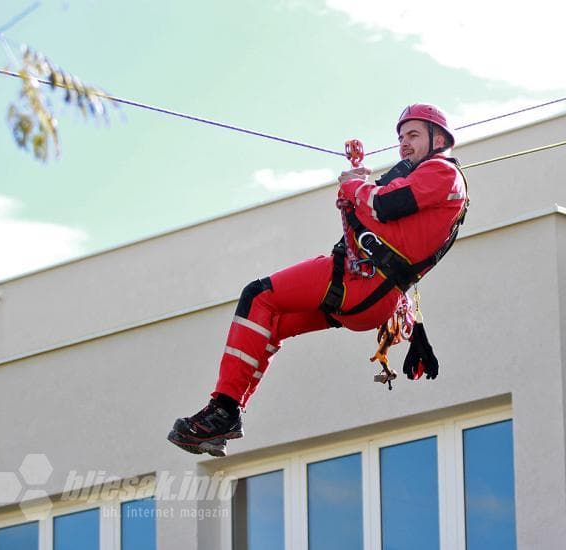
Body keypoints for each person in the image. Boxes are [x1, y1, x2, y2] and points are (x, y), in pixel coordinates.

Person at [167, 103, 468, 456]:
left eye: (413, 135)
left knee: (258, 295)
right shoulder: (424, 176)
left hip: (361, 281)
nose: (403, 144)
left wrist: (356, 186)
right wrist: (361, 184)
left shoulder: (442, 173)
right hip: (370, 298)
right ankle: (228, 411)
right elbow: (387, 208)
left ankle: (223, 410)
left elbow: (386, 204)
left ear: (439, 139)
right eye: (401, 137)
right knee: (271, 322)